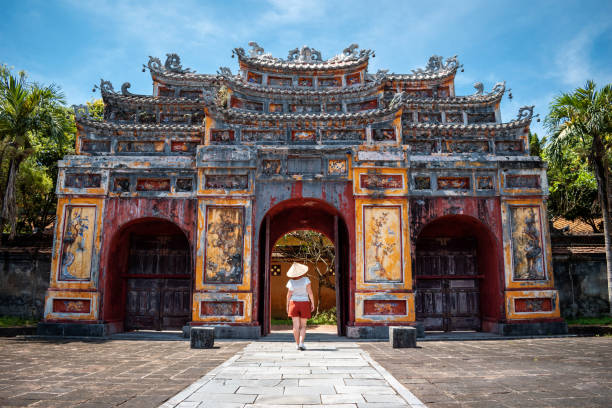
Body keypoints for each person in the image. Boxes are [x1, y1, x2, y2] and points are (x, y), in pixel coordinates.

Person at [285, 262, 314, 350]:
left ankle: (297, 345)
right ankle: (301, 343)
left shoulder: (290, 282)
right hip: (304, 303)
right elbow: (310, 293)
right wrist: (312, 303)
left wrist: (287, 305)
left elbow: (288, 295)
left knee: (295, 326)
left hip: (293, 303)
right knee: (303, 325)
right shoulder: (306, 280)